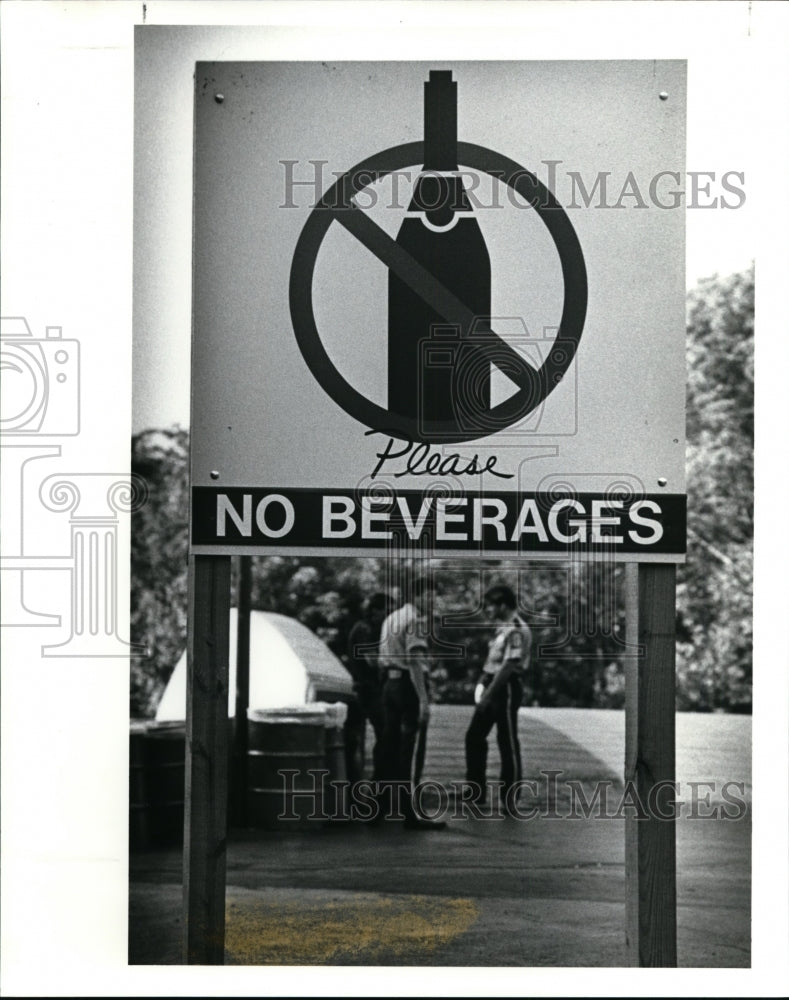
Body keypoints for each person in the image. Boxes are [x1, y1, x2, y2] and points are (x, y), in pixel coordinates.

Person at [377, 576, 445, 830]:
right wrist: (424, 701)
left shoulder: (391, 618)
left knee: (388, 749)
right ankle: (410, 813)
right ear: (417, 596)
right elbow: (415, 661)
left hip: (389, 685)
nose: (433, 600)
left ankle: (377, 810)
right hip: (407, 686)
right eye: (430, 595)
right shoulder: (416, 621)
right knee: (410, 751)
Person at [465, 584, 532, 810]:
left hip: (506, 688)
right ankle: (475, 791)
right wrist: (481, 683)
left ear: (503, 605)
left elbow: (508, 666)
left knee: (507, 741)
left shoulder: (514, 629)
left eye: (491, 606)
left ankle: (509, 797)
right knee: (474, 736)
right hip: (493, 684)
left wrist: (488, 694)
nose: (488, 610)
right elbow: (493, 662)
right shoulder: (502, 628)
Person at [344, 592, 391, 784]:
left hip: (369, 687)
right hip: (366, 688)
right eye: (387, 611)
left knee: (383, 734)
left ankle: (379, 779)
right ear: (375, 611)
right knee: (385, 733)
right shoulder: (365, 629)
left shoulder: (368, 628)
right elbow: (371, 660)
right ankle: (378, 781)